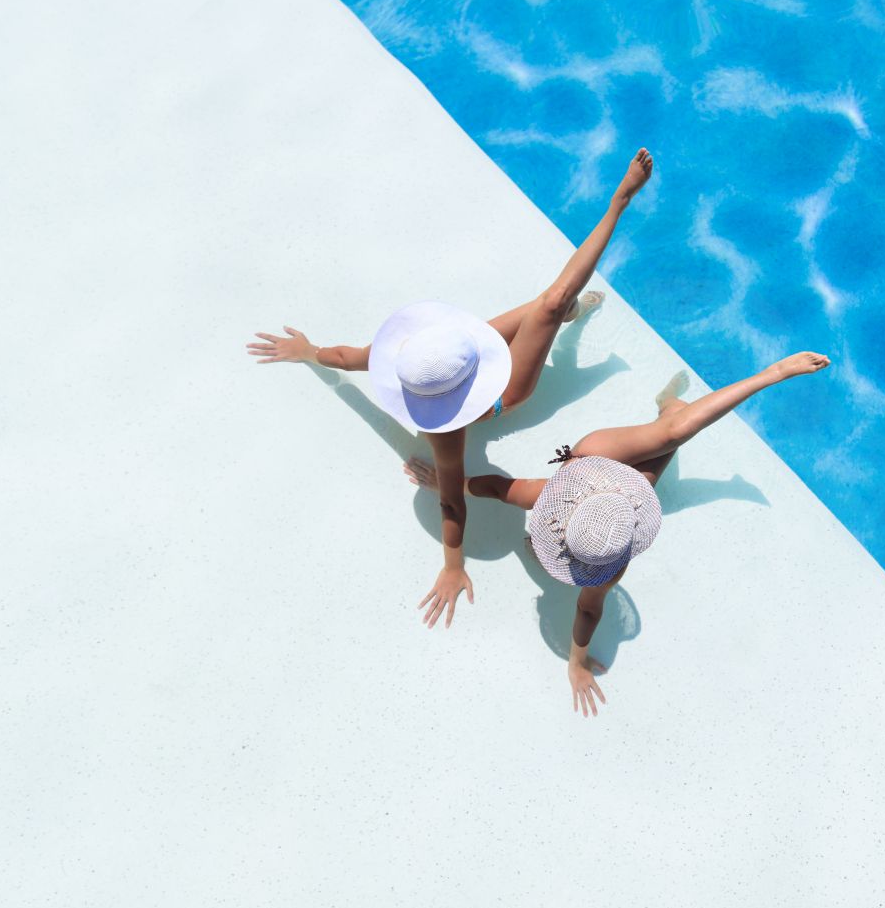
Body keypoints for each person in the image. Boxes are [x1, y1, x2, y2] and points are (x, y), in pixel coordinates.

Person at [247, 148, 657, 632]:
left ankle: (595, 253)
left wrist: (310, 351)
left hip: (464, 357)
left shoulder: (403, 359)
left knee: (548, 305)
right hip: (507, 388)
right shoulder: (447, 426)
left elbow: (344, 359)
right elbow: (451, 502)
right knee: (546, 306)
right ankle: (591, 260)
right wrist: (452, 565)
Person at [403, 349, 829, 714]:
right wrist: (577, 662)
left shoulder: (554, 499)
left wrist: (776, 373)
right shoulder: (566, 507)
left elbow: (497, 489)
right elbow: (587, 608)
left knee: (674, 430)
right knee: (673, 432)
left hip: (602, 462)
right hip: (599, 456)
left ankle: (668, 404)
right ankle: (669, 405)